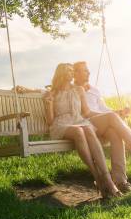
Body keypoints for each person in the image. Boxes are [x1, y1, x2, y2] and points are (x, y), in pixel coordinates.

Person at [73, 61, 131, 193]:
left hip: (102, 124)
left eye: (88, 70)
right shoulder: (73, 90)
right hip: (85, 125)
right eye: (84, 70)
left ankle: (120, 180)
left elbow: (104, 109)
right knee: (111, 117)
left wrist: (118, 112)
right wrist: (111, 115)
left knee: (115, 134)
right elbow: (83, 113)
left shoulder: (94, 90)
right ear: (75, 73)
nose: (88, 72)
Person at [45, 63, 122, 198]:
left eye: (73, 71)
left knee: (87, 128)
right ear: (62, 74)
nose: (72, 73)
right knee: (79, 131)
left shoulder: (79, 90)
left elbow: (86, 113)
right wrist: (48, 105)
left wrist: (112, 114)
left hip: (78, 121)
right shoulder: (52, 93)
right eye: (69, 71)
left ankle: (107, 180)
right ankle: (97, 176)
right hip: (61, 125)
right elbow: (50, 121)